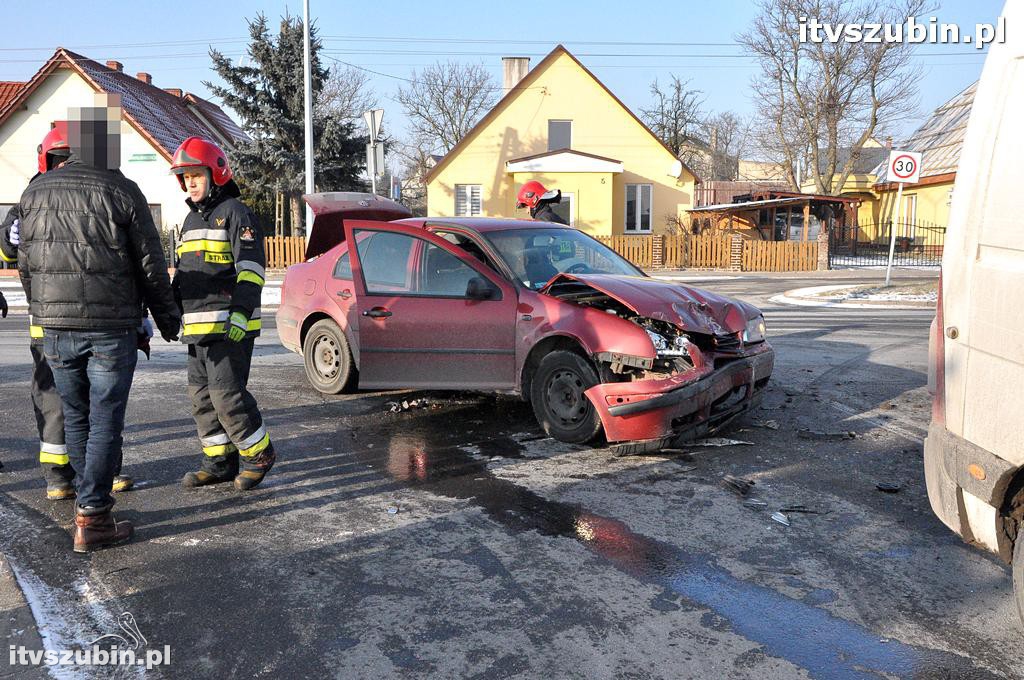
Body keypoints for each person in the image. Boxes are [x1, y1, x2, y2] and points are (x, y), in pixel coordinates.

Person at [17, 101, 181, 552]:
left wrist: (43, 310)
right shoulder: (122, 190)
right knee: (106, 419)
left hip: (55, 328)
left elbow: (26, 266)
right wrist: (167, 319)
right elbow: (151, 265)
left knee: (76, 416)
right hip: (111, 328)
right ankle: (93, 515)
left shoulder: (34, 193)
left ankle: (86, 506)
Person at [170, 137, 275, 492]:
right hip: (197, 329)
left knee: (227, 396)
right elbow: (184, 276)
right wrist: (170, 313)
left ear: (215, 174)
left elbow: (251, 270)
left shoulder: (236, 213)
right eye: (185, 177)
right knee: (202, 399)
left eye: (196, 175)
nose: (190, 183)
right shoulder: (190, 219)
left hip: (230, 327)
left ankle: (258, 455)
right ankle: (218, 462)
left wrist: (241, 314)